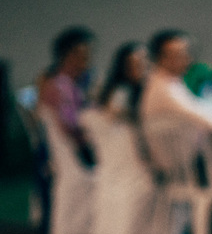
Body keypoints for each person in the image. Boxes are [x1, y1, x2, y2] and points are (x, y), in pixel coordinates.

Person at [140, 30, 212, 134]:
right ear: (161, 58)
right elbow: (207, 121)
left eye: (187, 53)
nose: (188, 59)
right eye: (180, 55)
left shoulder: (170, 82)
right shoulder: (163, 90)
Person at [39, 27, 95, 163]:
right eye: (85, 55)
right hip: (70, 160)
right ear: (70, 55)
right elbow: (70, 125)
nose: (88, 61)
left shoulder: (69, 85)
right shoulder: (60, 87)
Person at [98, 42, 148, 122]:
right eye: (137, 65)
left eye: (144, 63)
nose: (143, 69)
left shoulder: (149, 86)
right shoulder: (120, 93)